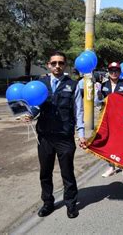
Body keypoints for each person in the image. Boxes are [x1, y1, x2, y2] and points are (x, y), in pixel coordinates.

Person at [24, 51, 86, 219]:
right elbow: (36, 105)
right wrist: (30, 114)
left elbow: (78, 112)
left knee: (67, 173)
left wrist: (81, 135)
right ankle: (48, 203)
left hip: (64, 137)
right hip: (44, 137)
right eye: (54, 63)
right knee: (45, 172)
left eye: (60, 63)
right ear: (48, 65)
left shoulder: (73, 85)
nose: (57, 66)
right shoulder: (41, 84)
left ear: (65, 65)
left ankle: (71, 204)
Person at [96, 62, 123, 178]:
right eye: (111, 70)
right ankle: (111, 166)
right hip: (107, 118)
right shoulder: (103, 85)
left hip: (122, 119)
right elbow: (98, 103)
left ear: (120, 72)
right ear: (108, 71)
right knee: (109, 143)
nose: (114, 72)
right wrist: (97, 94)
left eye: (116, 70)